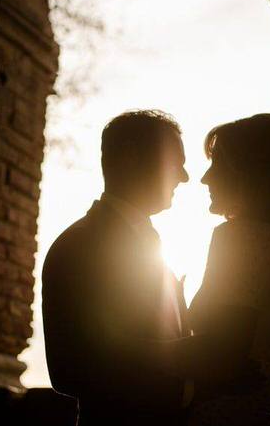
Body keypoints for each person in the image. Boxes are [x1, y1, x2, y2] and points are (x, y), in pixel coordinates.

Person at [41, 110, 192, 426]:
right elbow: (68, 370)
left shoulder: (157, 247)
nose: (184, 176)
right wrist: (181, 355)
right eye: (175, 162)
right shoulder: (77, 246)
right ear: (130, 158)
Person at [186, 113, 270, 426]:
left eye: (217, 163)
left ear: (247, 173)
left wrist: (133, 352)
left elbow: (222, 352)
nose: (205, 178)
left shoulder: (239, 237)